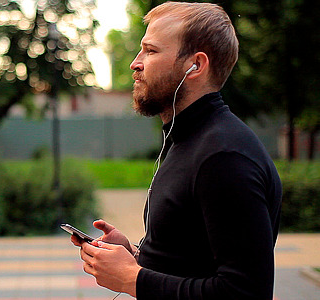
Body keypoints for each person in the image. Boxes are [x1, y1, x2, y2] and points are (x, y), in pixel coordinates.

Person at [71, 2, 282, 299]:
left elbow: (245, 292)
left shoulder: (224, 156)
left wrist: (133, 279)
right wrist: (136, 255)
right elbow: (192, 260)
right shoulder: (187, 138)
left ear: (195, 65)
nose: (135, 62)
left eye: (151, 51)